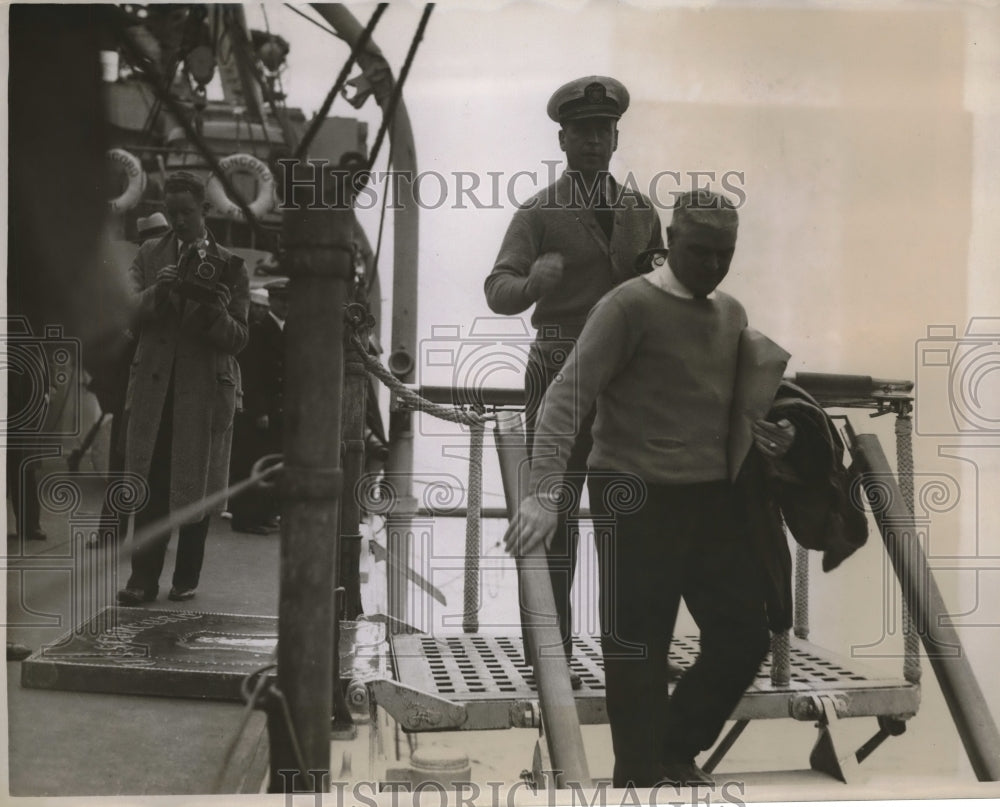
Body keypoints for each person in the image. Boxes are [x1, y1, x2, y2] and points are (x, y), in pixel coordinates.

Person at [504, 190, 801, 787]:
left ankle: (673, 747)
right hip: (632, 494)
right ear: (670, 240)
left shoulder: (732, 313)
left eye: (725, 253)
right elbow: (565, 400)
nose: (713, 265)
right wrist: (543, 493)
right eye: (700, 251)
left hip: (711, 500)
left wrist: (781, 435)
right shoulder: (627, 306)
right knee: (638, 647)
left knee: (744, 635)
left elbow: (734, 406)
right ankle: (639, 779)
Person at [484, 76, 662, 682]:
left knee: (629, 519)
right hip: (556, 369)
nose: (593, 141)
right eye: (582, 131)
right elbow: (497, 290)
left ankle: (630, 652)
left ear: (615, 137)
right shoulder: (537, 212)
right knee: (549, 510)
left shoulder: (641, 212)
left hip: (626, 383)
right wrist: (531, 285)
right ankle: (550, 657)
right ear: (562, 138)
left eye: (603, 130)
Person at [117, 171, 249, 605]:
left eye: (186, 213)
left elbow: (240, 338)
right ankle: (142, 580)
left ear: (204, 211)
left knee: (195, 488)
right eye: (171, 212)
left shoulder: (230, 265)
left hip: (202, 394)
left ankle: (185, 578)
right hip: (158, 392)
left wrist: (215, 311)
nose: (177, 221)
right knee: (151, 488)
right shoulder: (150, 254)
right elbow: (127, 313)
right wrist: (160, 289)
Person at [229, 282, 285, 533]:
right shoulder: (259, 331)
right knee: (252, 462)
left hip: (279, 411)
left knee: (270, 462)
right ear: (271, 301)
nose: (286, 305)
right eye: (282, 300)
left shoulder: (288, 331)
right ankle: (245, 519)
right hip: (260, 412)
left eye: (290, 301)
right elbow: (253, 375)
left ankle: (265, 515)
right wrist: (260, 410)